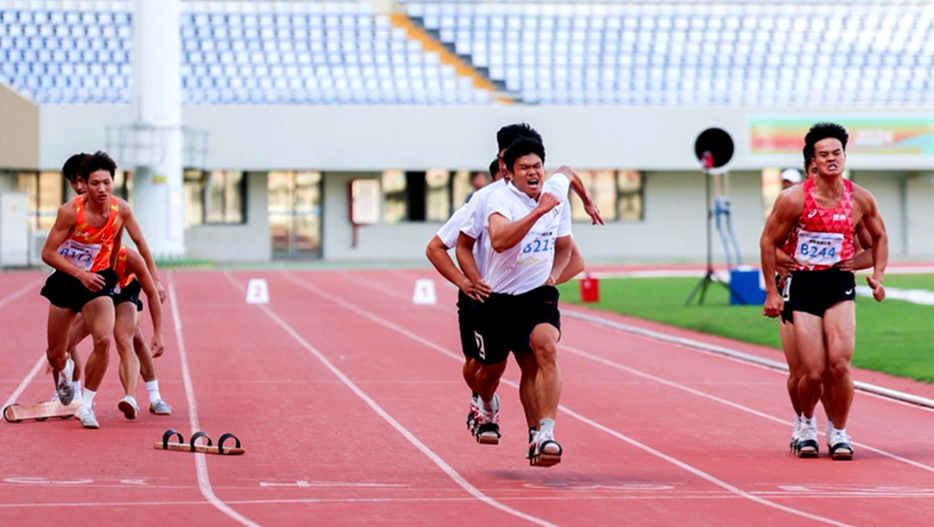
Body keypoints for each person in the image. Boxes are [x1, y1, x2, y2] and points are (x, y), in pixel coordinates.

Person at [761, 122, 888, 459]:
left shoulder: (858, 199)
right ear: (811, 163)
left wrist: (873, 272)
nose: (831, 159)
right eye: (823, 155)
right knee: (807, 372)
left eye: (837, 153)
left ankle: (838, 431)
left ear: (844, 156)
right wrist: (773, 287)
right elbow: (767, 242)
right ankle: (804, 423)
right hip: (797, 284)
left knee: (839, 366)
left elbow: (876, 241)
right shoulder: (792, 201)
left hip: (836, 282)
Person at [470, 136, 574, 467]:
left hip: (537, 296)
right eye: (525, 168)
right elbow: (499, 241)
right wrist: (538, 211)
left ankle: (544, 433)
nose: (533, 173)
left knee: (544, 350)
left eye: (537, 166)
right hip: (497, 298)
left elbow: (566, 245)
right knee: (490, 371)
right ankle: (485, 402)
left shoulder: (555, 193)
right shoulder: (498, 200)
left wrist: (554, 275)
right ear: (509, 173)